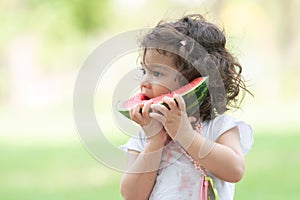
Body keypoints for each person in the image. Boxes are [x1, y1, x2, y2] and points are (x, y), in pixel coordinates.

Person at [119, 14, 253, 200]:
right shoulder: (143, 137)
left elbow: (235, 170)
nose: (144, 83)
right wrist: (154, 141)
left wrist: (185, 135)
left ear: (193, 80)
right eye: (144, 71)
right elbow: (132, 195)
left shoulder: (219, 127)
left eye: (156, 73)